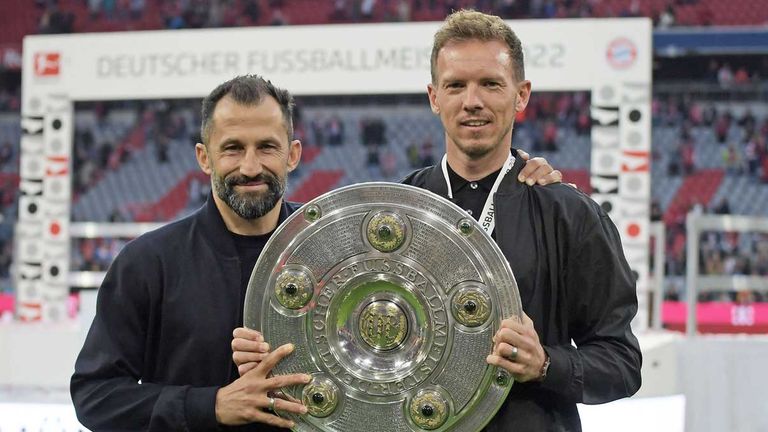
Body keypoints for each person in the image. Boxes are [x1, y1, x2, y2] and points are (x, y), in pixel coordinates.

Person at [71, 74, 561, 431]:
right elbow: (95, 397)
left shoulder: (344, 243)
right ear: (204, 157)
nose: (249, 166)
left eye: (266, 146)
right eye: (231, 148)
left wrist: (524, 176)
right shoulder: (147, 264)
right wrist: (210, 405)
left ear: (294, 153)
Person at [234, 10, 642, 431]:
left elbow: (623, 364)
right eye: (456, 86)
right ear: (434, 97)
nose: (472, 101)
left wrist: (546, 364)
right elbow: (328, 325)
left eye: (490, 84)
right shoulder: (390, 212)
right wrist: (265, 344)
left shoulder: (569, 215)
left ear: (521, 95)